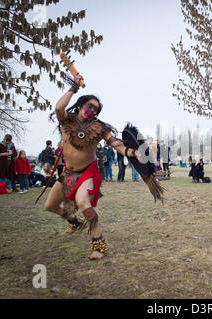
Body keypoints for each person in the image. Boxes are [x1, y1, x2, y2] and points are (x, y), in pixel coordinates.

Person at [43, 73, 146, 260]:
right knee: (50, 206)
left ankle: (99, 244)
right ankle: (74, 221)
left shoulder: (100, 128)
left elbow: (115, 143)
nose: (92, 110)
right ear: (81, 105)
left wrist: (131, 152)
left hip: (88, 173)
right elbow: (59, 107)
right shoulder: (67, 120)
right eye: (89, 106)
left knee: (83, 203)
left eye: (96, 109)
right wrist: (73, 88)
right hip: (67, 174)